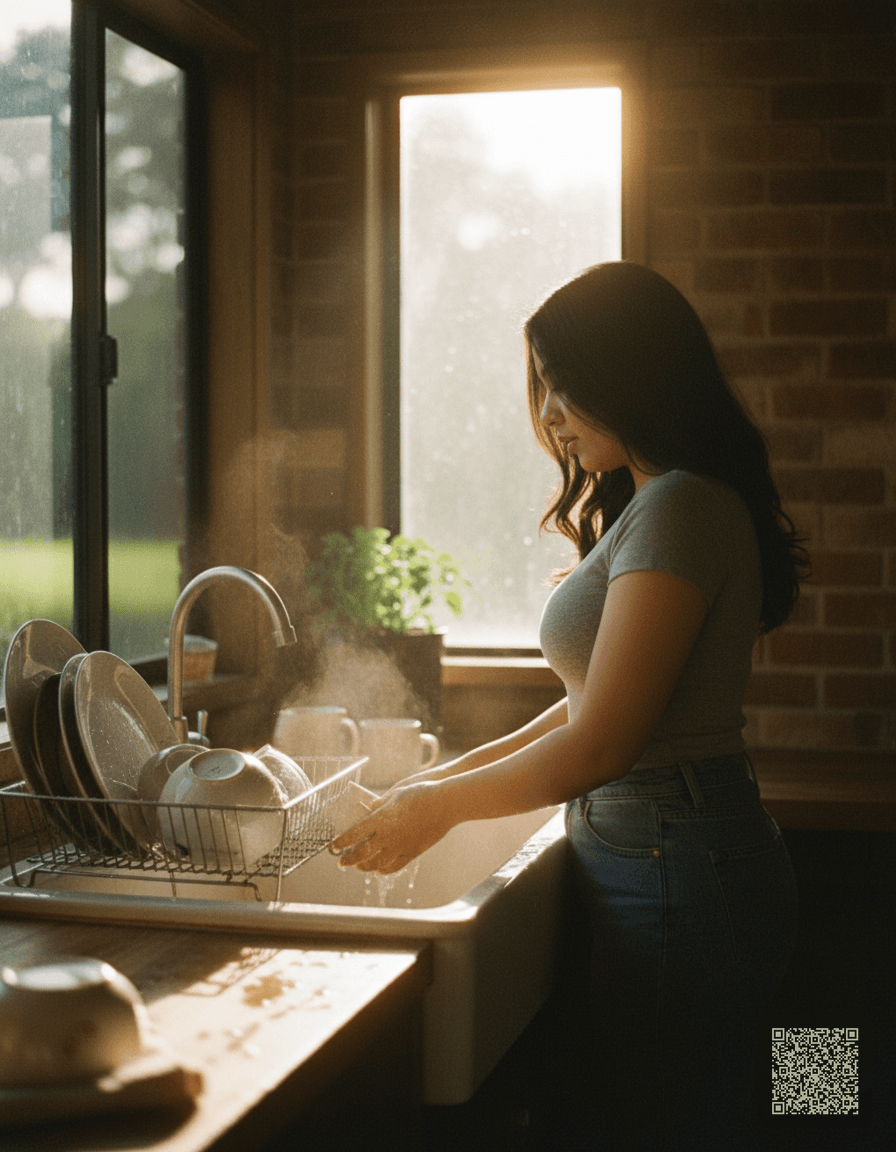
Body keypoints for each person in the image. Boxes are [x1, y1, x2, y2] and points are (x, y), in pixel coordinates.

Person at [331, 261, 807, 1149]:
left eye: (563, 384)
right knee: (723, 1110)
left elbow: (602, 747)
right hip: (682, 853)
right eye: (540, 387)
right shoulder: (663, 503)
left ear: (632, 372)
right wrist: (441, 780)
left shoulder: (680, 510)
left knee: (702, 1123)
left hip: (681, 864)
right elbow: (589, 705)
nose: (547, 414)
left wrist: (436, 807)